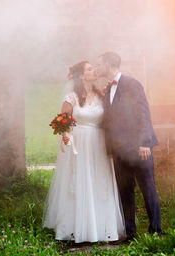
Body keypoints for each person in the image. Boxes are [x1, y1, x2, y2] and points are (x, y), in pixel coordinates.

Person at [43, 61, 125, 243]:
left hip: (99, 144)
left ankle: (102, 228)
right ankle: (75, 227)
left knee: (100, 181)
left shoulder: (101, 95)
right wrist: (66, 136)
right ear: (81, 75)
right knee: (79, 181)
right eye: (90, 69)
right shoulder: (71, 97)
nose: (94, 70)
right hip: (79, 143)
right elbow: (63, 123)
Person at [96, 52, 163, 242]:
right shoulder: (108, 90)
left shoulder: (132, 84)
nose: (98, 67)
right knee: (125, 191)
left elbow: (143, 114)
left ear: (109, 64)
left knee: (148, 189)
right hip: (119, 151)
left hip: (139, 148)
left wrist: (145, 143)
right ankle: (130, 233)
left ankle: (156, 231)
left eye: (99, 64)